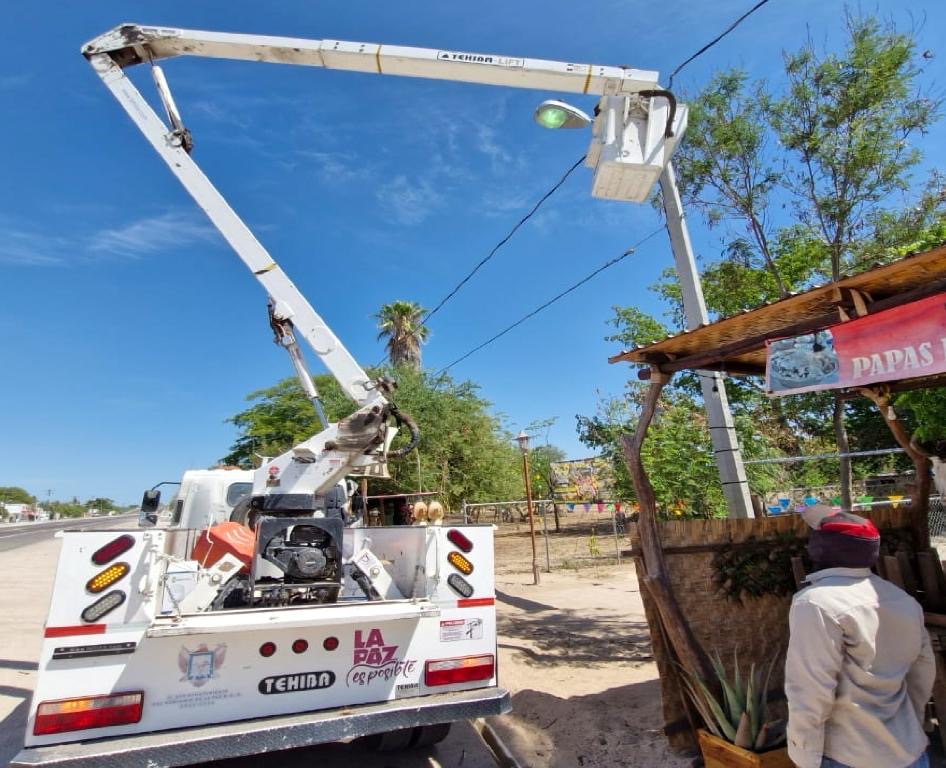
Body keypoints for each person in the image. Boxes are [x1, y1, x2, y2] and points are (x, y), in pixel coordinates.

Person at [786, 505, 935, 768]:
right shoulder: (902, 600)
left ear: (820, 548)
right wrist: (909, 726)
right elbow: (922, 673)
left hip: (849, 756)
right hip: (910, 753)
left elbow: (810, 690)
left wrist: (803, 754)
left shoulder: (815, 604)